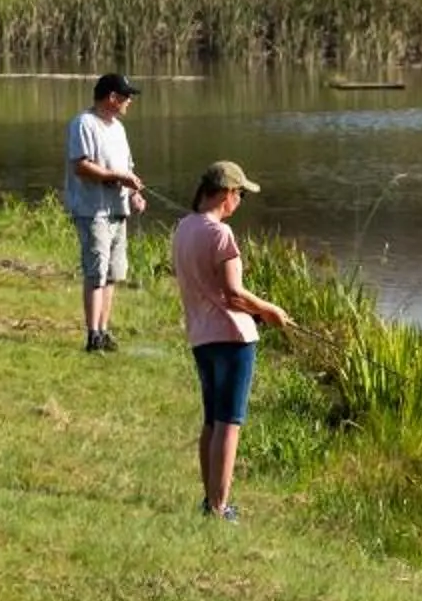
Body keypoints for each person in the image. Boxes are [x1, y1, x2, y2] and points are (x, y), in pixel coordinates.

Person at [172, 160, 294, 523]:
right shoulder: (220, 235)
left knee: (212, 420)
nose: (240, 201)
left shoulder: (183, 228)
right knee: (230, 422)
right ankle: (220, 508)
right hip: (232, 338)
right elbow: (233, 293)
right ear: (226, 193)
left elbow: (212, 290)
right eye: (240, 194)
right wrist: (270, 310)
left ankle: (210, 501)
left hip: (201, 337)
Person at [64, 73, 147, 352]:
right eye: (126, 97)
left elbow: (128, 169)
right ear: (112, 97)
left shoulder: (119, 129)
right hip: (93, 211)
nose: (129, 102)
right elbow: (81, 166)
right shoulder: (83, 124)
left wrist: (134, 193)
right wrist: (119, 178)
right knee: (96, 272)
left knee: (112, 273)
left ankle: (104, 330)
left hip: (117, 211)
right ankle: (92, 335)